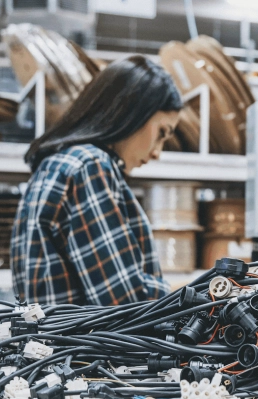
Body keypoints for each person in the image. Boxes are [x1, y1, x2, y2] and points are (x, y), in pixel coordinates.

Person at [11, 55, 183, 306]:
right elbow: (125, 303)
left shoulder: (59, 163)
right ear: (131, 112)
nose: (158, 151)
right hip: (87, 345)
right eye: (161, 133)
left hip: (57, 342)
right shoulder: (90, 166)